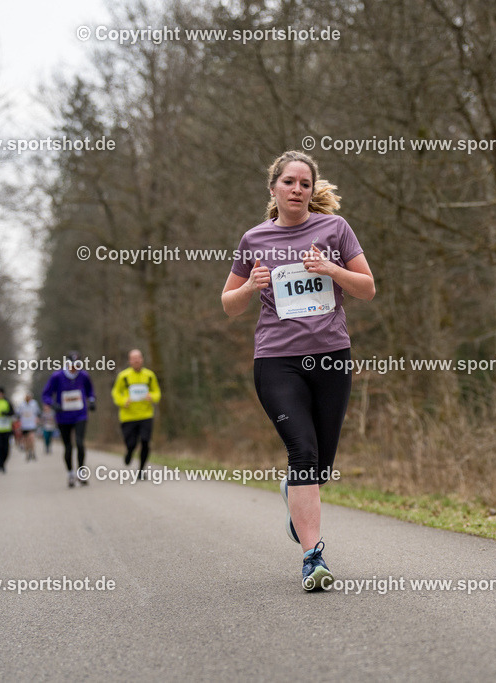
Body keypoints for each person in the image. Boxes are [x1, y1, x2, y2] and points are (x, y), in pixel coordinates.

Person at [221, 150, 375, 591]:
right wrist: (250, 287)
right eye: (288, 182)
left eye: (304, 183)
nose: (296, 190)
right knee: (302, 452)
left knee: (319, 466)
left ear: (312, 190)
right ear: (273, 188)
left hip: (331, 357)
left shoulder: (335, 229)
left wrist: (330, 268)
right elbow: (229, 304)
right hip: (277, 361)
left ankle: (296, 494)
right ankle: (313, 557)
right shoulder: (254, 239)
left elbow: (367, 288)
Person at [42, 352, 96, 488]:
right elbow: (46, 394)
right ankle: (70, 473)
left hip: (80, 415)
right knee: (68, 446)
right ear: (66, 364)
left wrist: (91, 400)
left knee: (80, 443)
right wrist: (53, 404)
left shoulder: (83, 375)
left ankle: (81, 473)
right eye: (72, 365)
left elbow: (90, 391)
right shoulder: (57, 376)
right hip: (63, 417)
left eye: (77, 365)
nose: (74, 368)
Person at [111, 348, 161, 478]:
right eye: (134, 358)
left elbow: (157, 392)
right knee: (131, 443)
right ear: (129, 361)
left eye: (138, 358)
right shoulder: (123, 376)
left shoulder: (149, 375)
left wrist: (152, 397)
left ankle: (141, 470)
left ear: (142, 359)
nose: (136, 360)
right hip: (128, 416)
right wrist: (123, 401)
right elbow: (115, 393)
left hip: (146, 415)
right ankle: (129, 452)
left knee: (145, 442)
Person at [16, 392, 40, 461]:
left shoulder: (34, 403)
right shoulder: (21, 405)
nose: (28, 398)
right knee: (26, 441)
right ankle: (27, 453)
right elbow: (18, 414)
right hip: (24, 425)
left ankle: (33, 452)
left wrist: (37, 419)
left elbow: (38, 412)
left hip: (32, 425)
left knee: (32, 439)